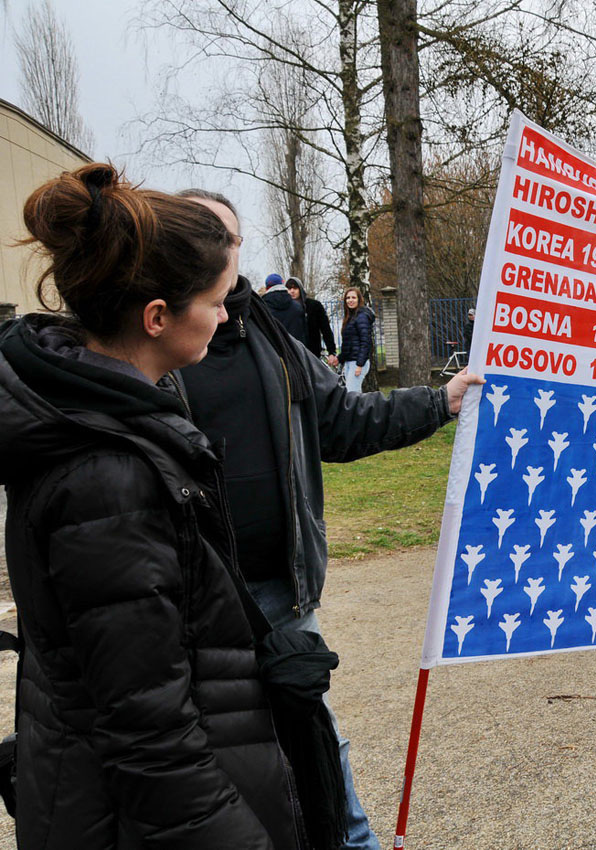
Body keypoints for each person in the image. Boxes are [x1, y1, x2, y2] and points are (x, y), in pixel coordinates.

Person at [0, 164, 306, 847]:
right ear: (158, 316)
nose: (228, 316)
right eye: (218, 300)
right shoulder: (107, 476)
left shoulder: (109, 418)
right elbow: (150, 735)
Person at [174, 189, 482, 850]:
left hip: (282, 596)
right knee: (218, 769)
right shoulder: (155, 344)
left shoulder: (266, 332)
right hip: (192, 607)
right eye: (197, 234)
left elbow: (341, 421)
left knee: (318, 752)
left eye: (223, 238)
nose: (215, 250)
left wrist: (440, 401)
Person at [288, 275, 339, 366]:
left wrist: (331, 351)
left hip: (313, 353)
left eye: (295, 288)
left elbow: (325, 329)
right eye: (289, 288)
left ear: (300, 289)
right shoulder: (286, 309)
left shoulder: (314, 306)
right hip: (292, 354)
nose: (292, 291)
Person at [338, 286, 376, 393]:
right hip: (349, 362)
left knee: (352, 395)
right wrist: (340, 359)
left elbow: (366, 342)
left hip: (357, 363)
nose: (350, 300)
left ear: (359, 300)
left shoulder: (362, 316)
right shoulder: (350, 318)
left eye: (353, 298)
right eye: (348, 298)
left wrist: (359, 365)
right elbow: (348, 344)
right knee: (351, 395)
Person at [264, 271, 307, 343]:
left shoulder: (263, 308)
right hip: (295, 350)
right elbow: (303, 334)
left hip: (271, 351)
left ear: (267, 288)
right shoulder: (297, 307)